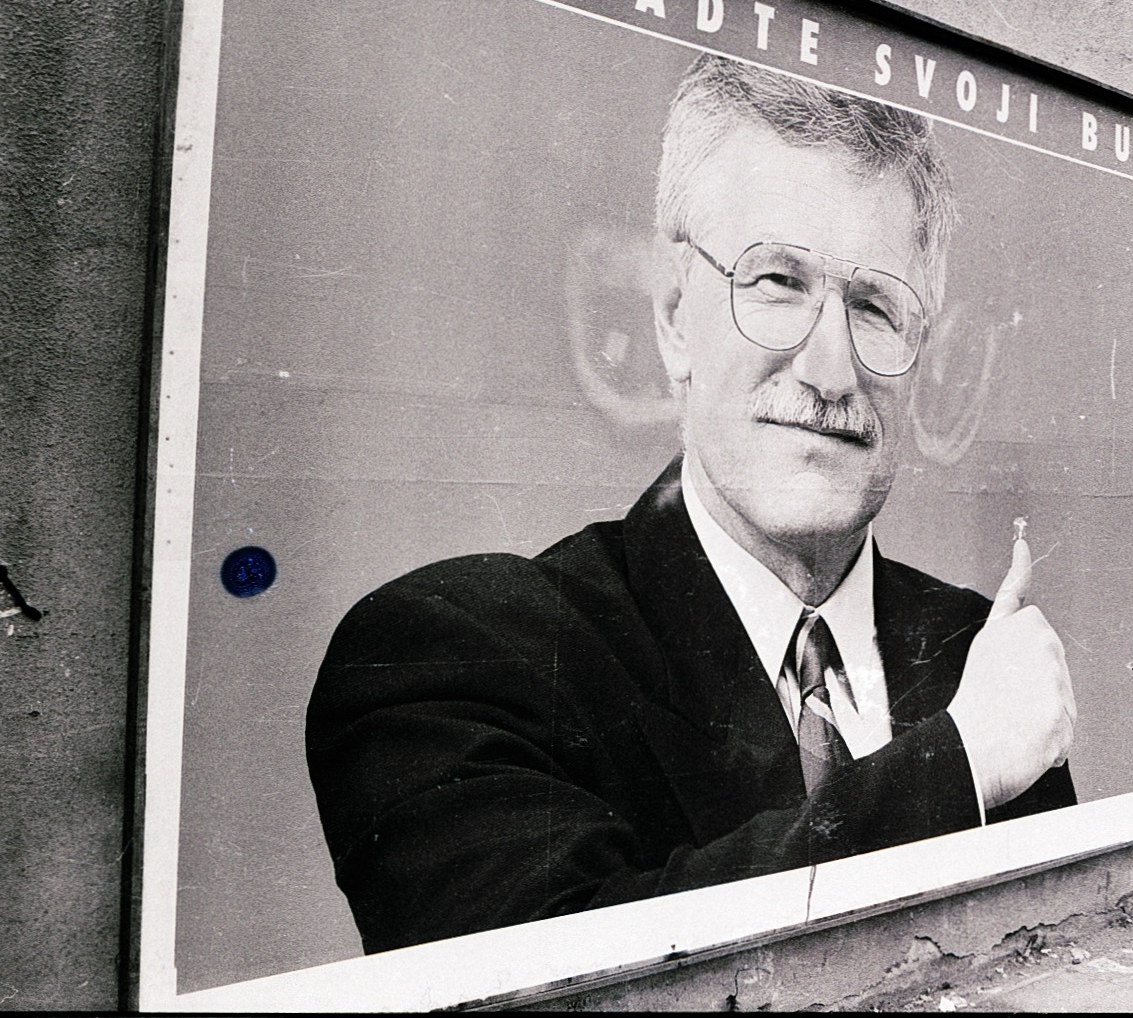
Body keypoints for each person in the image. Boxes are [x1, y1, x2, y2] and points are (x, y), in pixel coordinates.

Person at [306, 53, 1078, 955]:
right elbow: (560, 979)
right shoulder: (453, 651)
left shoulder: (974, 652)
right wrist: (957, 765)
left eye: (875, 307)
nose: (831, 371)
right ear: (674, 318)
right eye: (777, 283)